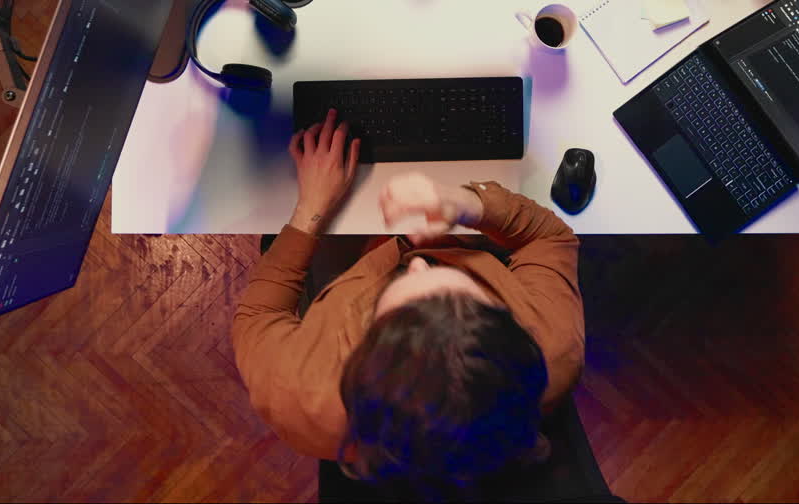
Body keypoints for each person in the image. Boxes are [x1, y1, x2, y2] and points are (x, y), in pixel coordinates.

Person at [231, 108, 584, 498]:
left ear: (362, 358)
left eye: (390, 313)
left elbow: (260, 311)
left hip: (350, 256)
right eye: (471, 293)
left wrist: (311, 205)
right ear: (510, 325)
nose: (418, 262)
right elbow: (551, 239)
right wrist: (466, 205)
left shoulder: (296, 391)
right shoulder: (553, 347)